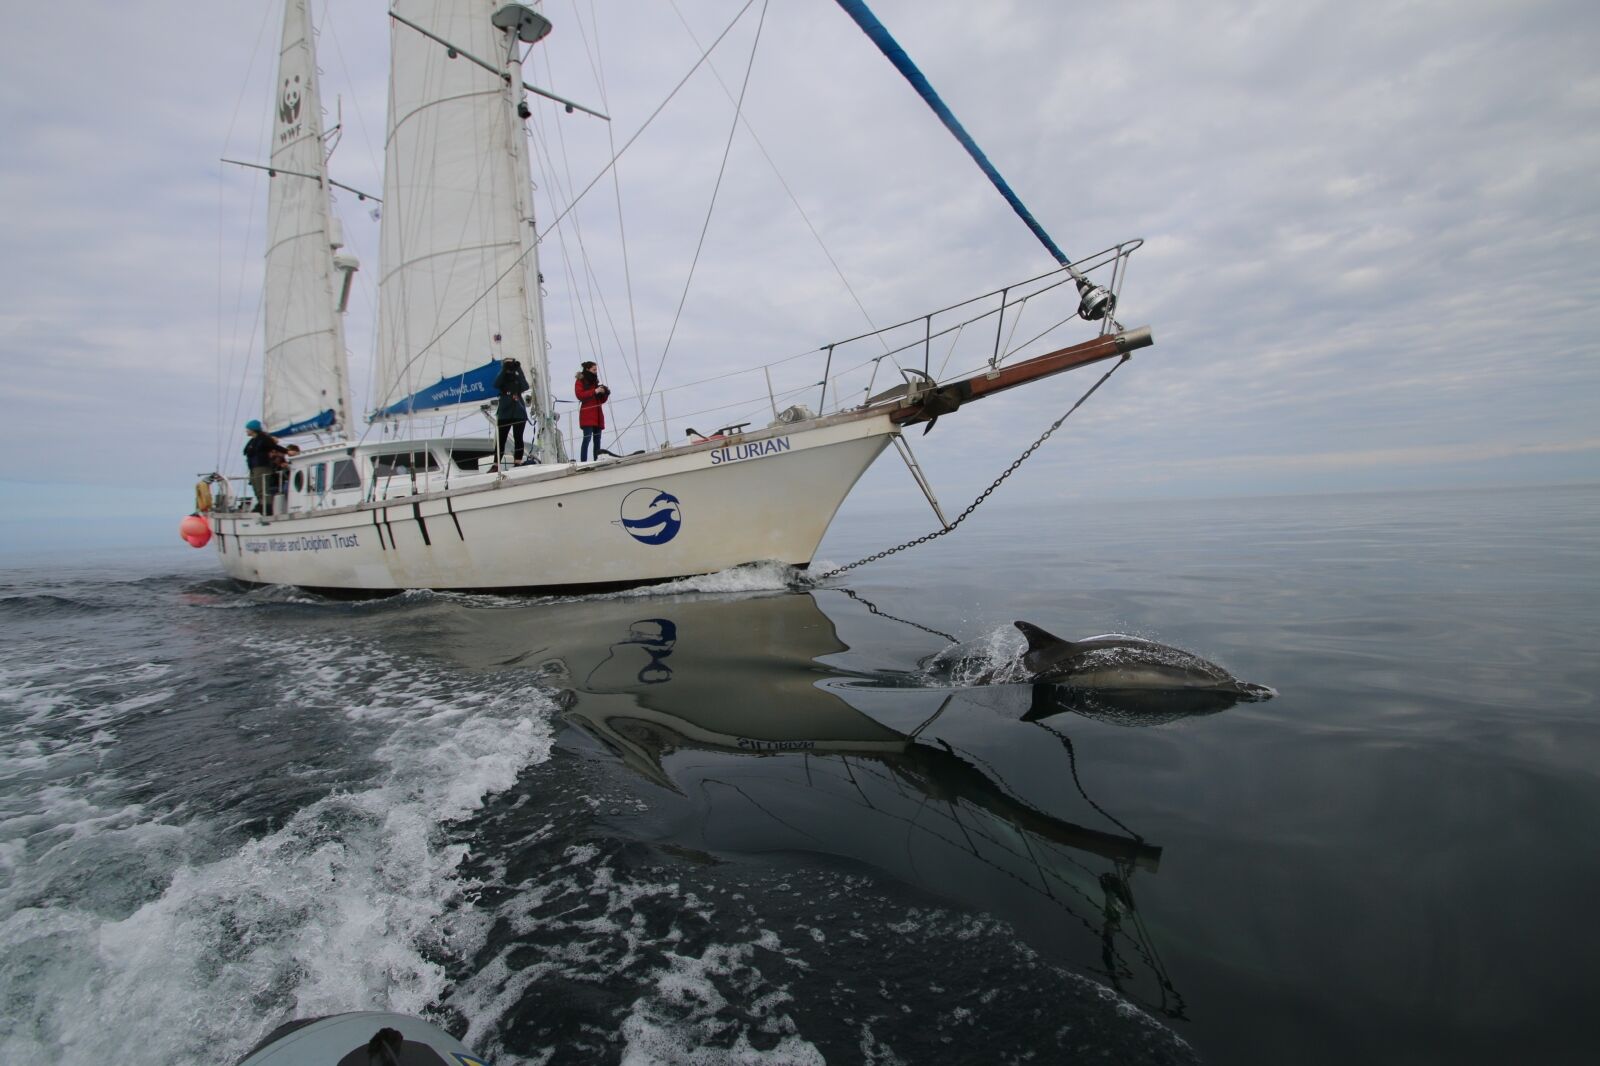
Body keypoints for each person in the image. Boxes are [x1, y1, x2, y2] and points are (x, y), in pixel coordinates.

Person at [492, 357, 530, 466]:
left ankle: (517, 462)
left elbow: (525, 386)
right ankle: (496, 464)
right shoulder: (502, 378)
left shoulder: (517, 378)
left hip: (518, 412)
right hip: (505, 412)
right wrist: (504, 369)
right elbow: (496, 384)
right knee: (501, 440)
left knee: (518, 437)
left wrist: (519, 369)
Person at [242, 420, 280, 514]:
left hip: (261, 467)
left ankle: (267, 508)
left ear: (253, 429)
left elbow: (274, 446)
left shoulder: (263, 439)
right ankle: (261, 505)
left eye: (248, 429)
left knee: (262, 489)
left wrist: (287, 451)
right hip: (254, 468)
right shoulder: (253, 440)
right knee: (257, 489)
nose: (246, 431)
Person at [574, 360, 609, 462]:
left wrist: (605, 393)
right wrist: (595, 391)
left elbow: (601, 400)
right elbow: (580, 395)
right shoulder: (580, 381)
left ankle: (596, 460)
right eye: (594, 370)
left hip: (597, 414)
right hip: (587, 414)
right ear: (587, 369)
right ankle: (583, 461)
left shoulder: (595, 382)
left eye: (596, 370)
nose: (595, 372)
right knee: (587, 438)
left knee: (597, 440)